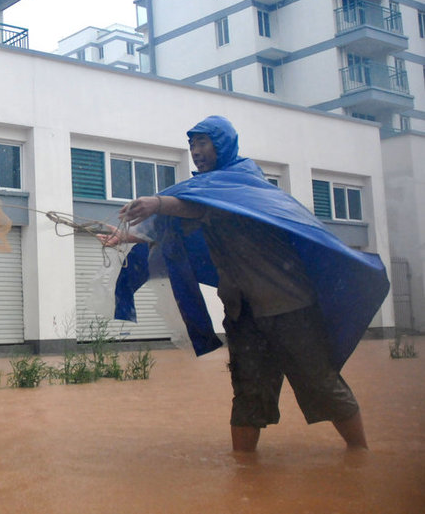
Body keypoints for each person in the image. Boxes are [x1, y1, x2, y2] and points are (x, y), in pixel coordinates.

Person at [100, 116, 388, 452]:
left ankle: (360, 456)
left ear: (223, 144)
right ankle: (244, 473)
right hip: (242, 313)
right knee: (248, 394)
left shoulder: (243, 182)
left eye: (203, 142)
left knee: (321, 385)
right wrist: (126, 237)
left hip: (290, 308)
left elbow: (196, 208)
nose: (196, 151)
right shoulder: (205, 192)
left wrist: (158, 202)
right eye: (192, 144)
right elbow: (176, 228)